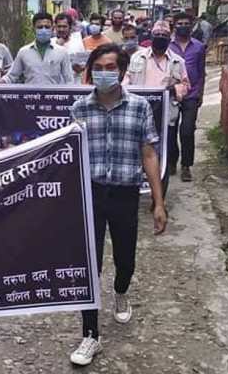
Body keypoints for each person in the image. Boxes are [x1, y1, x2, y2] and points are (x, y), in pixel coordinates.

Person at [69, 43, 167, 366]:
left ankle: (121, 291)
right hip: (91, 195)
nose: (105, 72)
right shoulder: (78, 109)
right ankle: (90, 336)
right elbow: (67, 158)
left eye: (112, 67)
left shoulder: (139, 107)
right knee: (89, 266)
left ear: (122, 72)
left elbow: (149, 154)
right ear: (90, 71)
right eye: (99, 66)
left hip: (125, 195)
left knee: (125, 260)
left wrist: (158, 202)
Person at [122, 20, 190, 193]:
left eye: (164, 36)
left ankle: (159, 196)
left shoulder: (177, 62)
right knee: (136, 154)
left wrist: (174, 89)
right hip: (138, 114)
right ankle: (134, 191)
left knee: (162, 158)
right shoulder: (137, 57)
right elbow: (127, 79)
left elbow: (186, 85)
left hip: (165, 116)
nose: (160, 38)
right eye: (157, 35)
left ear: (170, 38)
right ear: (151, 36)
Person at [168, 12, 207, 182]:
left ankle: (186, 166)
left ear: (191, 26)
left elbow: (201, 72)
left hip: (191, 95)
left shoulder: (198, 47)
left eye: (186, 23)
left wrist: (200, 93)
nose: (183, 26)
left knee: (187, 131)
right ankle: (171, 162)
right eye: (180, 23)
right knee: (170, 131)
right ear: (175, 26)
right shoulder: (168, 46)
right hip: (172, 94)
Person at [0, 12, 74, 85]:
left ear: (52, 28)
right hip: (31, 96)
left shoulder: (62, 52)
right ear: (33, 29)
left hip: (54, 96)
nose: (43, 30)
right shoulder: (24, 52)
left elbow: (69, 80)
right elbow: (11, 77)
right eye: (40, 27)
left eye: (47, 27)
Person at [52, 12, 87, 84]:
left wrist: (80, 68)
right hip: (55, 87)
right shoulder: (50, 43)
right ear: (55, 27)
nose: (61, 29)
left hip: (74, 86)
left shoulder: (78, 42)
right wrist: (57, 47)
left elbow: (83, 65)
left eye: (64, 26)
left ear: (70, 27)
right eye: (59, 26)